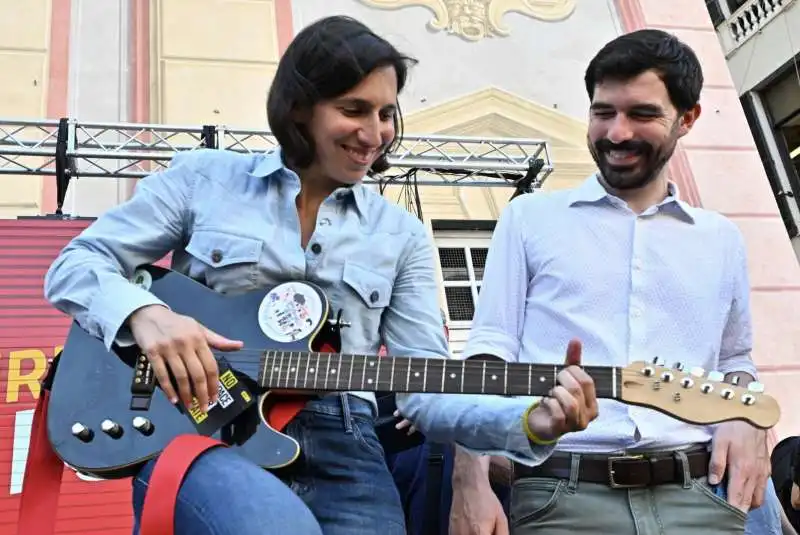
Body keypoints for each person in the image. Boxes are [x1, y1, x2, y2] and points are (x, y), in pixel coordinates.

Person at [43, 15, 598, 535]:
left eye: (386, 114)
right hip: (205, 427)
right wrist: (147, 315)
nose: (375, 132)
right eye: (355, 110)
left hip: (348, 445)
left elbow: (425, 393)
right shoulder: (202, 179)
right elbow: (76, 265)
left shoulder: (400, 235)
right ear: (301, 107)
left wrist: (531, 422)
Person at [400, 29, 772, 535]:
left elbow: (734, 361)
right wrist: (470, 476)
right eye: (603, 113)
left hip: (700, 495)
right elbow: (489, 353)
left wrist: (749, 415)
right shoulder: (529, 218)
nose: (616, 133)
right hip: (561, 496)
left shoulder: (721, 238)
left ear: (687, 119)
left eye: (642, 114)